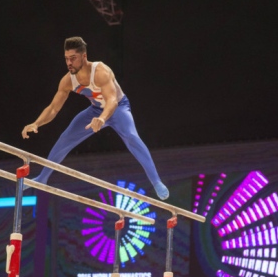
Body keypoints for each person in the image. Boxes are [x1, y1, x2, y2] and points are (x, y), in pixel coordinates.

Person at [21, 36, 169, 201]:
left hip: (118, 108)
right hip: (94, 110)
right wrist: (36, 123)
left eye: (73, 58)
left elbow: (112, 101)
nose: (69, 63)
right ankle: (42, 177)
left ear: (84, 56)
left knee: (132, 137)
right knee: (65, 138)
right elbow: (53, 108)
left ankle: (156, 182)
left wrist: (102, 118)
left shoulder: (100, 71)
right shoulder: (67, 81)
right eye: (66, 59)